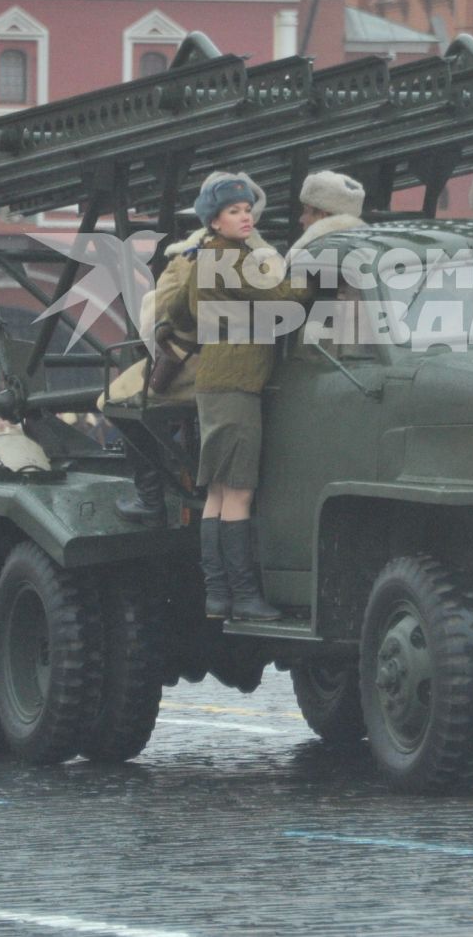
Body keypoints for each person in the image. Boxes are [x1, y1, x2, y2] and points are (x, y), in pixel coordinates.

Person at [189, 172, 306, 621]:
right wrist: (315, 277)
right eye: (234, 212)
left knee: (218, 494)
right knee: (238, 493)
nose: (245, 217)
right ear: (214, 221)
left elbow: (181, 306)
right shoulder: (233, 258)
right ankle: (243, 597)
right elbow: (280, 294)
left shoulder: (207, 255)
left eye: (246, 210)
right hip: (236, 384)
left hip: (216, 380)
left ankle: (219, 596)